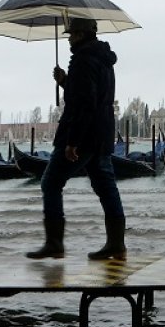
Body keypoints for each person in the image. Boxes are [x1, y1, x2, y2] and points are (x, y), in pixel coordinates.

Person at [26, 15, 127, 261]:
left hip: (83, 136)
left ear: (80, 35)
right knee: (106, 187)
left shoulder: (82, 60)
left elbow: (83, 104)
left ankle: (54, 243)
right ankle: (116, 244)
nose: (69, 39)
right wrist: (65, 82)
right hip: (102, 134)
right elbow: (90, 94)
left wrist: (72, 142)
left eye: (71, 35)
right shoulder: (103, 60)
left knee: (50, 183)